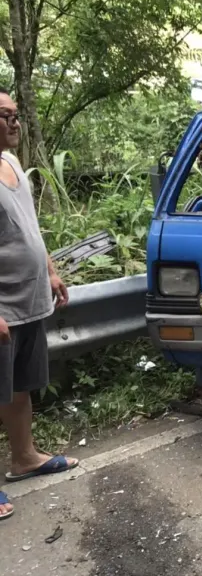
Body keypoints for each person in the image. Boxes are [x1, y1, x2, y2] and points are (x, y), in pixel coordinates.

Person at [0, 88, 76, 521]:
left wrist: (49, 270)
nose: (14, 122)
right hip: (2, 307)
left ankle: (24, 458)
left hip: (28, 300)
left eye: (15, 114)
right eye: (4, 115)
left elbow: (31, 226)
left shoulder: (11, 164)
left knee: (19, 387)